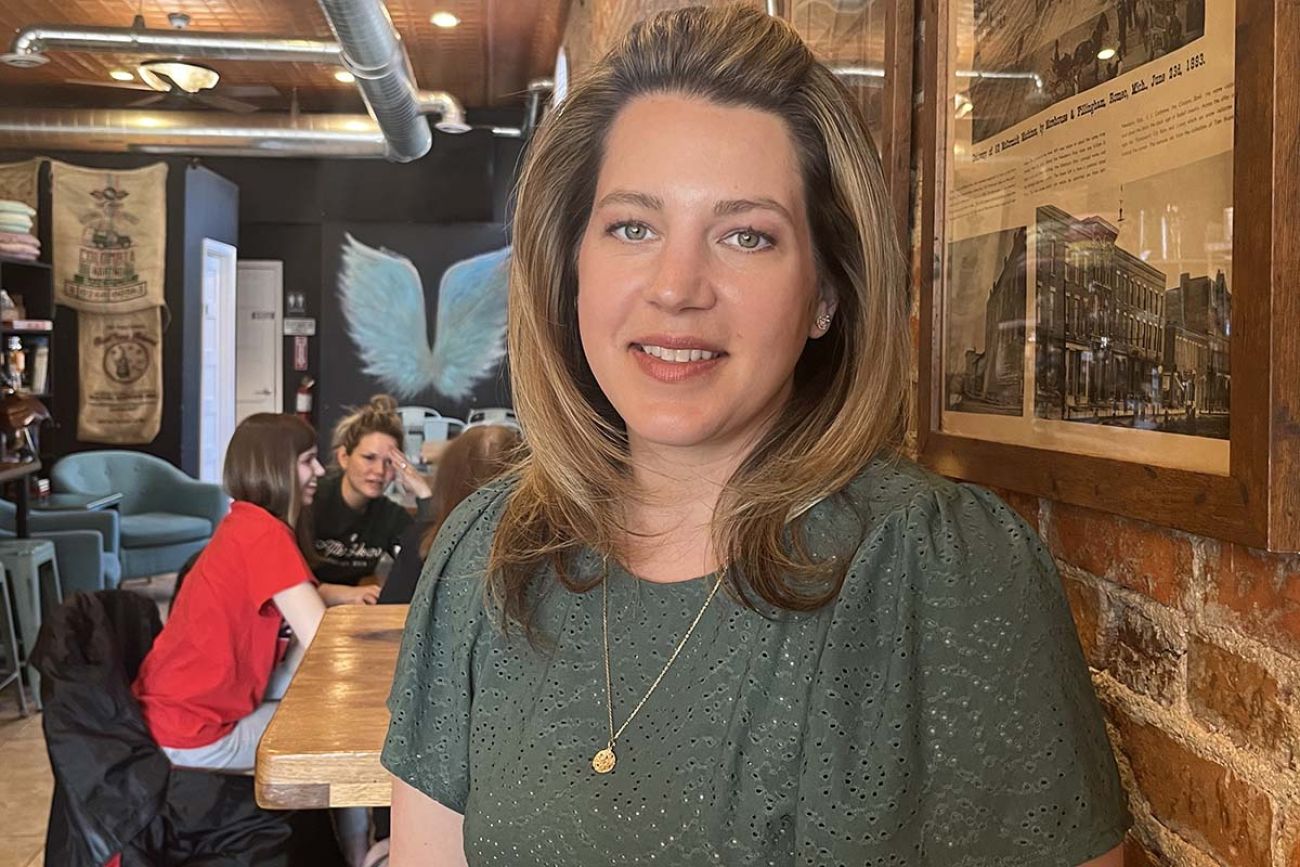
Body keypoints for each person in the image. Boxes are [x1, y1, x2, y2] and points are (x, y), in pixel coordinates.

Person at [382, 7, 1129, 866]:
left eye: (746, 235)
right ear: (571, 266)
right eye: (633, 226)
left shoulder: (941, 568)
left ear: (825, 294)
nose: (677, 287)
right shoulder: (488, 555)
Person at [132, 413, 371, 864]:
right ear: (275, 467)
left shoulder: (244, 523)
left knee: (326, 717)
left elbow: (302, 604)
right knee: (342, 740)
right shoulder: (265, 534)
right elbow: (322, 641)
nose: (319, 471)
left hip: (175, 709)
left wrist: (341, 599)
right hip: (195, 730)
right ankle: (361, 857)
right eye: (307, 461)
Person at [379, 424, 522, 605]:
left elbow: (389, 611)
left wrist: (426, 500)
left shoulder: (426, 543)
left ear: (446, 481)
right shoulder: (544, 547)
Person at [313, 394, 433, 595]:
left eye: (389, 462)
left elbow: (429, 562)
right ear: (344, 457)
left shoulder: (389, 515)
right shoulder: (312, 501)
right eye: (369, 458)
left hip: (349, 615)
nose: (379, 471)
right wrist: (344, 595)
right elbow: (281, 579)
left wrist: (423, 493)